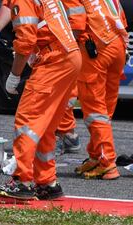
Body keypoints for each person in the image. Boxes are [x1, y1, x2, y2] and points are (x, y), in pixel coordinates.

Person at [0, 0, 82, 200]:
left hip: (54, 60)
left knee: (27, 123)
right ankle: (48, 183)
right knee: (46, 126)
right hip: (70, 57)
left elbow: (25, 42)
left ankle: (21, 181)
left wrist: (14, 75)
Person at [73, 0, 128, 180]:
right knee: (105, 109)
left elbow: (76, 25)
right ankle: (97, 155)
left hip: (96, 49)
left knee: (95, 110)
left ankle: (107, 163)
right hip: (118, 45)